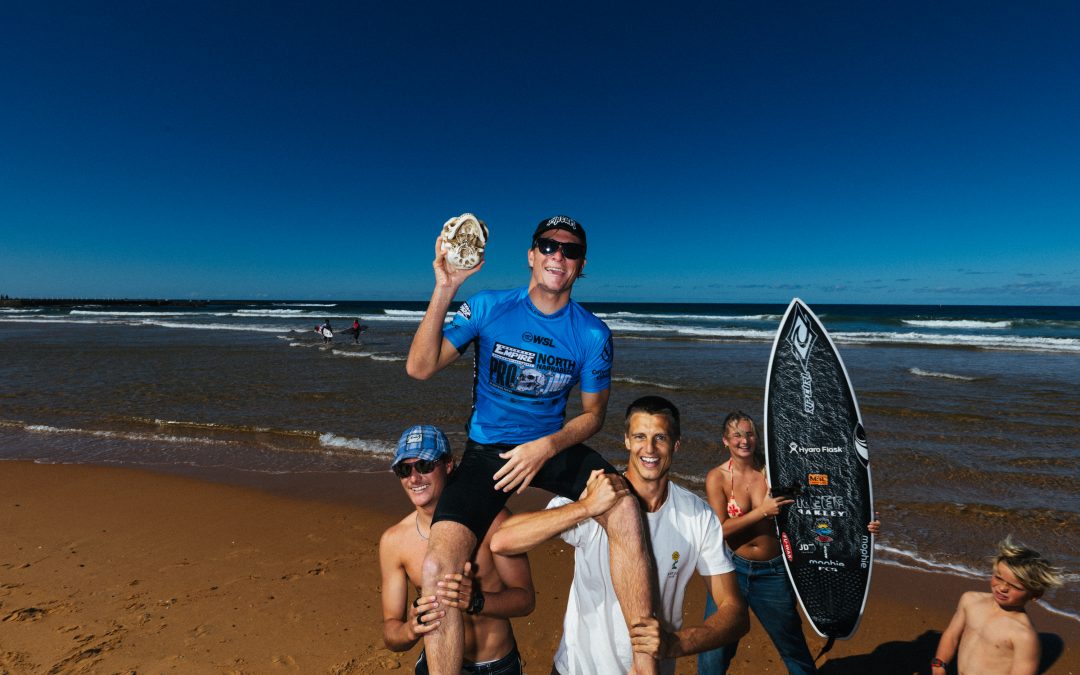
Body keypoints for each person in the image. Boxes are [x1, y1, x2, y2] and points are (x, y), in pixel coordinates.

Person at [406, 215, 657, 675]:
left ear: (581, 266)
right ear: (531, 255)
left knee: (623, 505)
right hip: (488, 454)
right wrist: (445, 287)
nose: (557, 255)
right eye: (547, 245)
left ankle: (643, 662)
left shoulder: (593, 335)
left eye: (570, 250)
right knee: (437, 570)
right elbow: (420, 368)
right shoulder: (487, 307)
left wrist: (545, 448)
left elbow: (593, 416)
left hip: (550, 446)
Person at [491, 396, 749, 674]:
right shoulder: (598, 494)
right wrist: (586, 507)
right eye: (640, 436)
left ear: (676, 445)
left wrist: (675, 644)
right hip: (577, 669)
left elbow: (734, 613)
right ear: (626, 441)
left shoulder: (697, 516)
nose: (648, 448)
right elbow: (504, 539)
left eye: (659, 437)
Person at [697, 411, 880, 674]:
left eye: (749, 433)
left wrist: (861, 521)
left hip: (774, 571)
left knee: (792, 646)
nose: (744, 440)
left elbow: (821, 501)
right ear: (725, 441)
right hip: (731, 570)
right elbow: (721, 529)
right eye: (737, 435)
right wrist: (762, 511)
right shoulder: (717, 478)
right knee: (714, 649)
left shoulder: (774, 470)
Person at [379, 425, 535, 674]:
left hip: (495, 666)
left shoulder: (494, 521)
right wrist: (411, 629)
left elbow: (525, 600)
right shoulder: (394, 541)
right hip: (436, 664)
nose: (414, 478)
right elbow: (391, 631)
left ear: (449, 464)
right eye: (404, 469)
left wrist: (477, 601)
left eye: (424, 466)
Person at [932, 536, 1063, 675]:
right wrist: (939, 666)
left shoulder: (1023, 635)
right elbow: (951, 635)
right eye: (998, 578)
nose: (1002, 588)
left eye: (1014, 586)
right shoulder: (970, 600)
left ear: (1035, 594)